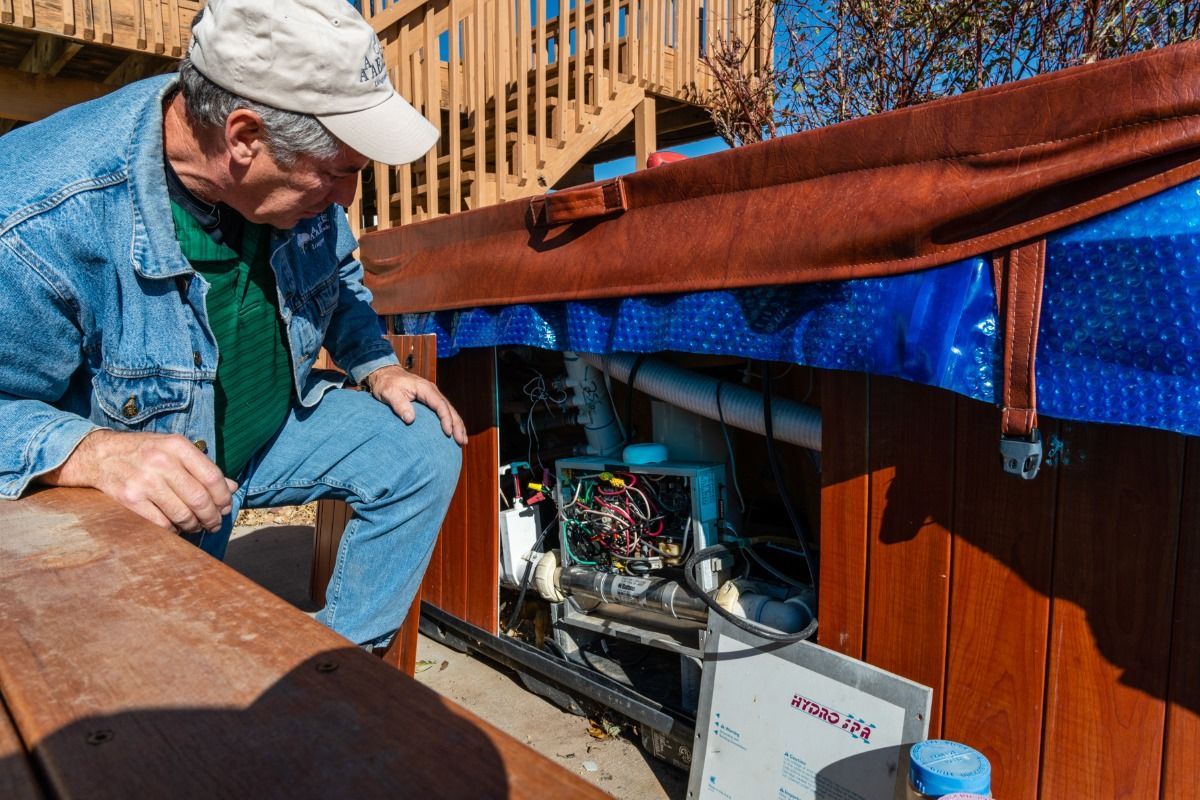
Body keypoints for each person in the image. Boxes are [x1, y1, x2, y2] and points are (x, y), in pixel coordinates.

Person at [0, 0, 465, 650]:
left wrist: (375, 363)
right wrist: (90, 453)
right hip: (155, 486)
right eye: (340, 174)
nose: (346, 200)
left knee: (423, 445)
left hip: (267, 438)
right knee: (164, 696)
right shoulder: (36, 218)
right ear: (244, 137)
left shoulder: (291, 180)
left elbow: (340, 276)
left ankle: (336, 668)